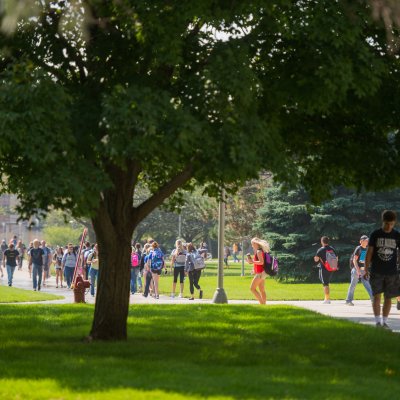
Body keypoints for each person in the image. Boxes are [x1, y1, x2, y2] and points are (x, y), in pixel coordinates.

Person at [365, 210, 400, 329]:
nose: (388, 226)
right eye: (386, 223)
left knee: (388, 297)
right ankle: (377, 322)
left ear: (394, 222)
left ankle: (384, 322)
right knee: (377, 297)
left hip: (392, 272)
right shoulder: (375, 234)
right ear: (383, 221)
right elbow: (369, 252)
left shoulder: (397, 235)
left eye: (391, 224)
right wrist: (365, 268)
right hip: (376, 271)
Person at [345, 235, 373, 306]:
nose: (367, 241)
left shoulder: (367, 249)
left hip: (363, 270)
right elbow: (355, 260)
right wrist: (357, 270)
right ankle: (348, 301)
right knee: (353, 285)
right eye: (366, 240)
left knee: (368, 285)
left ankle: (373, 300)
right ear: (361, 241)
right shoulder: (358, 248)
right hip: (356, 270)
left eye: (367, 240)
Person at [314, 236, 338, 304]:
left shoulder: (320, 250)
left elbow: (316, 260)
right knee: (326, 282)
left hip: (324, 268)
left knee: (325, 284)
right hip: (331, 268)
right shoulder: (332, 249)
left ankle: (327, 299)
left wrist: (316, 258)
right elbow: (336, 258)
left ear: (322, 241)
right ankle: (326, 298)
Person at [246, 237, 270, 304]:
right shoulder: (260, 250)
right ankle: (264, 305)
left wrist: (252, 261)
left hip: (260, 273)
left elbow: (261, 262)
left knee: (252, 288)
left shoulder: (259, 251)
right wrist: (254, 269)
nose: (252, 245)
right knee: (262, 290)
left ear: (256, 244)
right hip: (262, 272)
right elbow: (260, 263)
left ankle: (261, 303)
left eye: (252, 244)